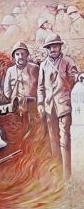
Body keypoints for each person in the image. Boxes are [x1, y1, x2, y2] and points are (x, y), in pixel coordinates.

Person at [36, 34, 83, 175]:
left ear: (60, 47)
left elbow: (74, 76)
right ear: (47, 49)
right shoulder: (43, 65)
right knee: (53, 141)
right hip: (49, 107)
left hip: (64, 106)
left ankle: (67, 175)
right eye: (50, 47)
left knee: (65, 140)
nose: (52, 49)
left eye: (55, 46)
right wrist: (40, 103)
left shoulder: (68, 61)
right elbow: (40, 87)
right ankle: (57, 174)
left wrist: (79, 76)